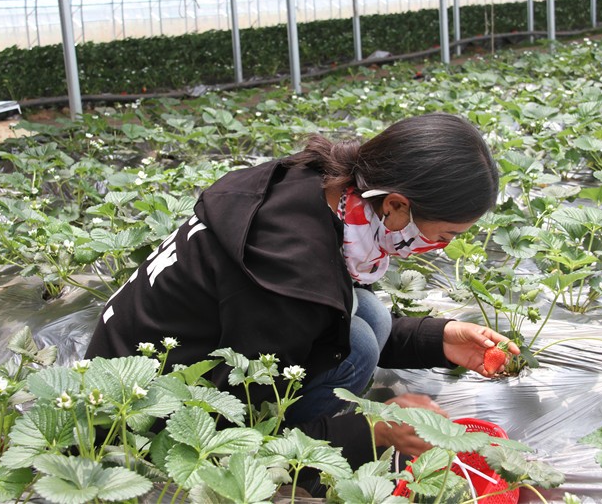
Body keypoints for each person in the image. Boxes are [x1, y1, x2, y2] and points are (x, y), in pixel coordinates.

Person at [84, 112, 520, 475]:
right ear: (395, 205)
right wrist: (372, 431)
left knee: (369, 315)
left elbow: (318, 316)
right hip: (137, 412)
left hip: (135, 347)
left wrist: (439, 340)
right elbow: (231, 433)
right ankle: (309, 447)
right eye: (444, 235)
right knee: (358, 343)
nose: (441, 248)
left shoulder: (317, 185)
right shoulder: (290, 274)